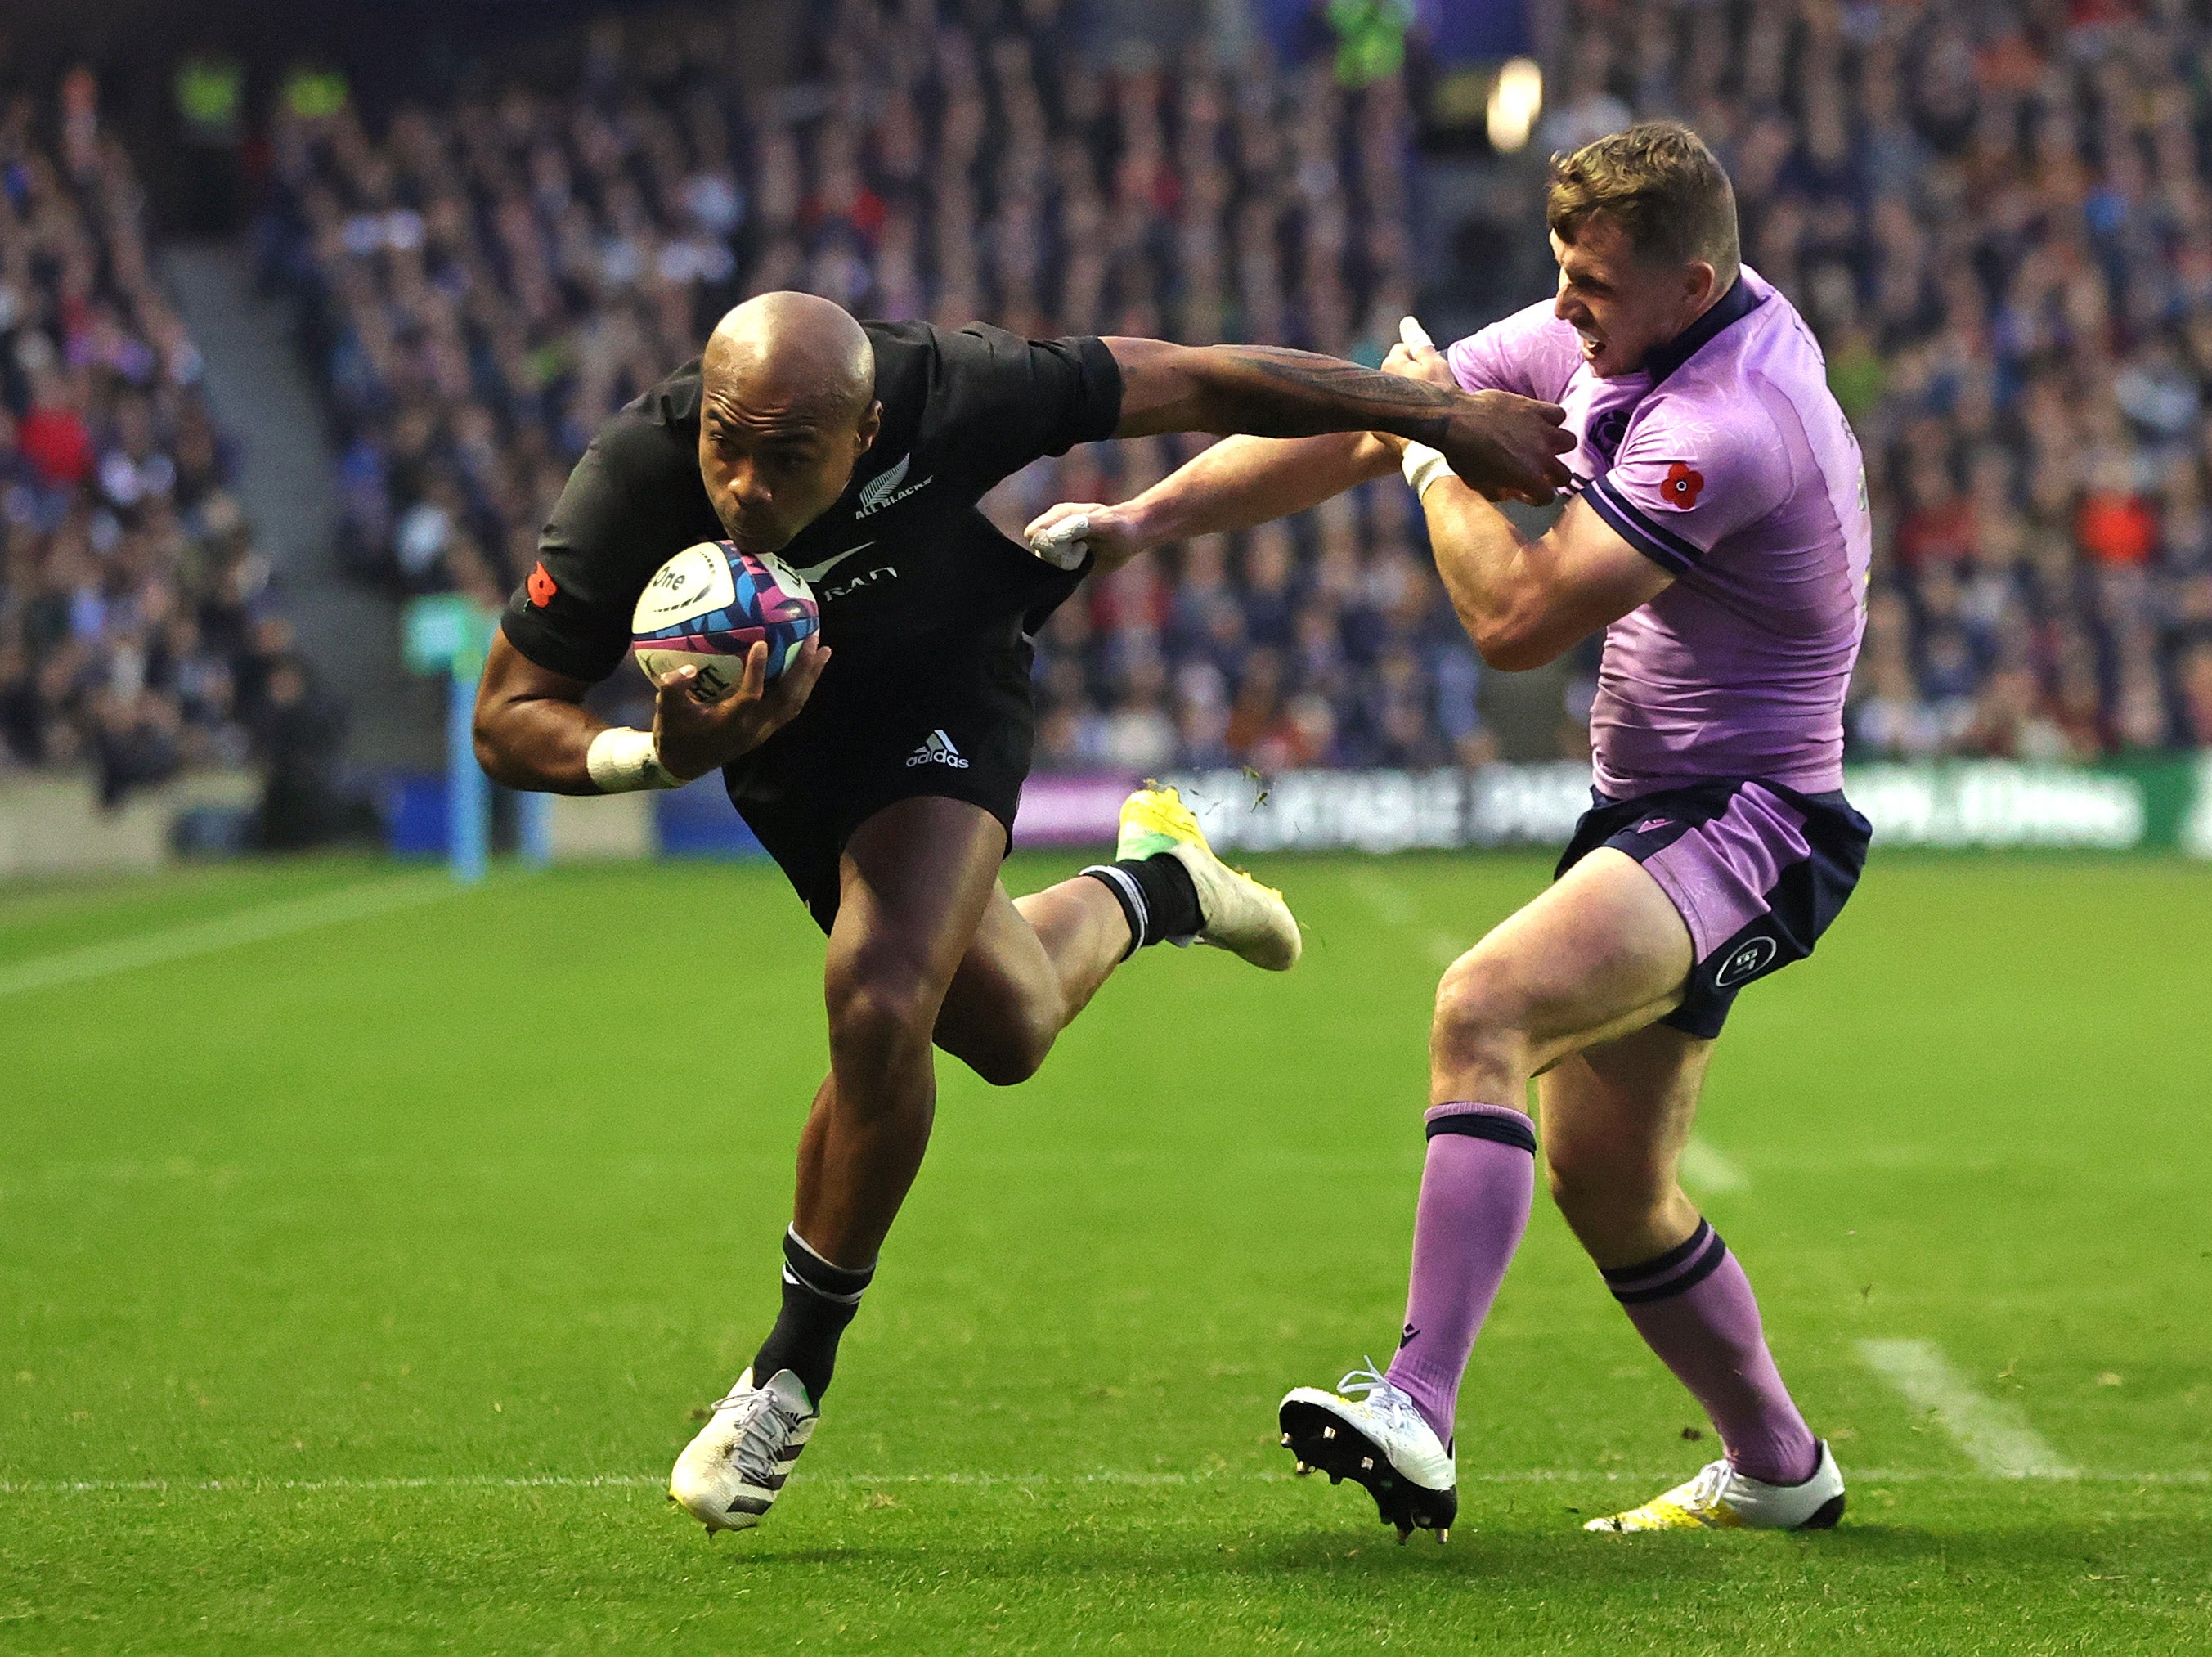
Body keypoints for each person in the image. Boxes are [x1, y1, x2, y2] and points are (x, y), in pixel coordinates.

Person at [470, 290, 1572, 1533]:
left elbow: (1205, 373)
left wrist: (1442, 416)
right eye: (728, 443)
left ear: (870, 425)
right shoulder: (636, 476)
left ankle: (785, 1373)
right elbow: (508, 714)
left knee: (880, 996)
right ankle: (1161, 883)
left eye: (789, 459)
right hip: (790, 761)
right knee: (1007, 1027)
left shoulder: (958, 389)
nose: (743, 487)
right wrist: (651, 759)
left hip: (949, 693)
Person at [1028, 121, 1870, 1539]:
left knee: (1479, 1004)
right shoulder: (1611, 333)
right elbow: (1371, 415)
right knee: (1611, 1180)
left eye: (1594, 282)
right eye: (1559, 268)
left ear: (1695, 280)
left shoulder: (1730, 422)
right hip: (1657, 812)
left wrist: (1437, 458)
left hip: (1751, 819)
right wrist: (1138, 522)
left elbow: (1516, 621)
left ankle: (1417, 1402)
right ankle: (1782, 1468)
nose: (1564, 305)